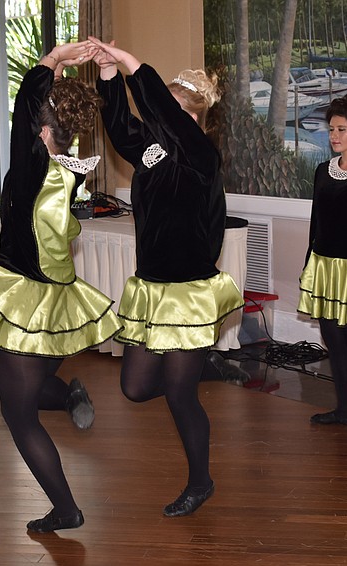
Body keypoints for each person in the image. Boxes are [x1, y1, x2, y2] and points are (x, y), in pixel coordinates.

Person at [0, 41, 122, 532]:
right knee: (27, 396)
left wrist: (52, 57)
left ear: (45, 130)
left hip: (28, 301)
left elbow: (24, 106)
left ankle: (66, 509)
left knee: (18, 414)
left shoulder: (33, 169)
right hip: (59, 302)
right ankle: (71, 395)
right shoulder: (70, 172)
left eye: (35, 126)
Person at [90, 37, 244, 517]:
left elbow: (160, 110)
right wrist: (110, 76)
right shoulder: (154, 152)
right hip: (151, 285)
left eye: (172, 112)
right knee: (134, 388)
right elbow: (121, 129)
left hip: (189, 289)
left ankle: (201, 482)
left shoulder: (200, 154)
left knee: (179, 396)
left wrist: (135, 64)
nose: (159, 118)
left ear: (192, 119)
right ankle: (206, 367)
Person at [298, 92, 347, 437]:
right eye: (331, 129)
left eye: (341, 129)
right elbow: (317, 222)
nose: (333, 136)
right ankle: (344, 408)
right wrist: (308, 264)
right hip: (325, 267)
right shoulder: (322, 171)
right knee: (333, 339)